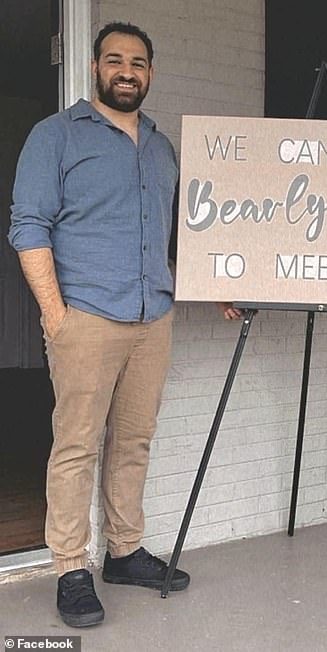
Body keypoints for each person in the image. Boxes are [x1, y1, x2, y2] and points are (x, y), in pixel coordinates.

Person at [8, 21, 204, 628]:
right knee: (75, 446)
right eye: (115, 60)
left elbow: (180, 238)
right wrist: (55, 315)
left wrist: (217, 286)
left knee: (133, 441)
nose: (127, 71)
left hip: (153, 318)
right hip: (86, 318)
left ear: (150, 73)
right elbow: (28, 226)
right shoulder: (56, 136)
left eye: (139, 63)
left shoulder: (162, 147)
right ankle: (71, 566)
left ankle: (123, 552)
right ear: (95, 68)